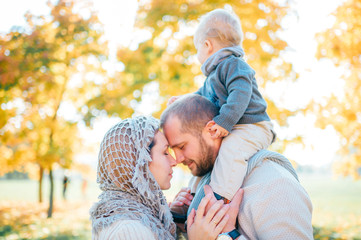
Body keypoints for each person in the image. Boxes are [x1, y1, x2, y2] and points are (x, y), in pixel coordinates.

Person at [161, 94, 313, 239]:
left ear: (212, 130)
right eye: (171, 150)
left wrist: (227, 234)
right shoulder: (202, 182)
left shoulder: (275, 185)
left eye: (181, 146)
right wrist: (182, 222)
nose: (177, 159)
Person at [168, 9, 275, 204]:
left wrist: (224, 121)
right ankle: (193, 197)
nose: (197, 55)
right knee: (208, 156)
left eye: (197, 49)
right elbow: (202, 97)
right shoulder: (213, 76)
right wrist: (183, 100)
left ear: (207, 45)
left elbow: (241, 93)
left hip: (252, 126)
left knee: (231, 152)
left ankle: (218, 201)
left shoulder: (233, 65)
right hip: (238, 126)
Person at [90, 116, 243, 240]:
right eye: (165, 153)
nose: (175, 161)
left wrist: (173, 219)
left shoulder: (143, 216)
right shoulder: (128, 231)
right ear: (140, 164)